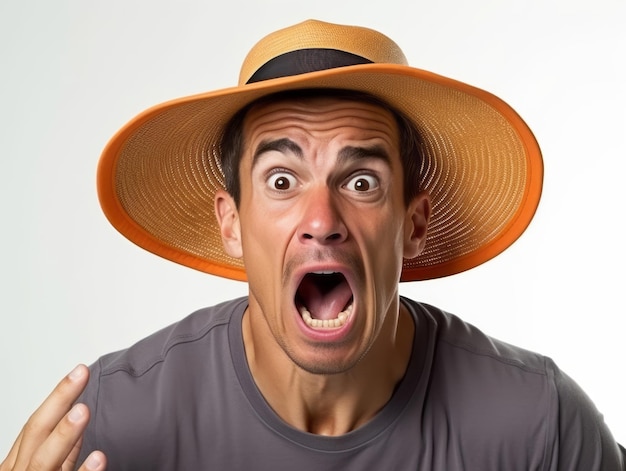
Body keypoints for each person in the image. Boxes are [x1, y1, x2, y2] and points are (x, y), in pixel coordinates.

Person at [1, 19, 624, 471]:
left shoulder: (538, 426)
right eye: (281, 180)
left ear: (413, 224)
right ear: (232, 224)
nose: (321, 219)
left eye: (361, 181)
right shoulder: (108, 428)